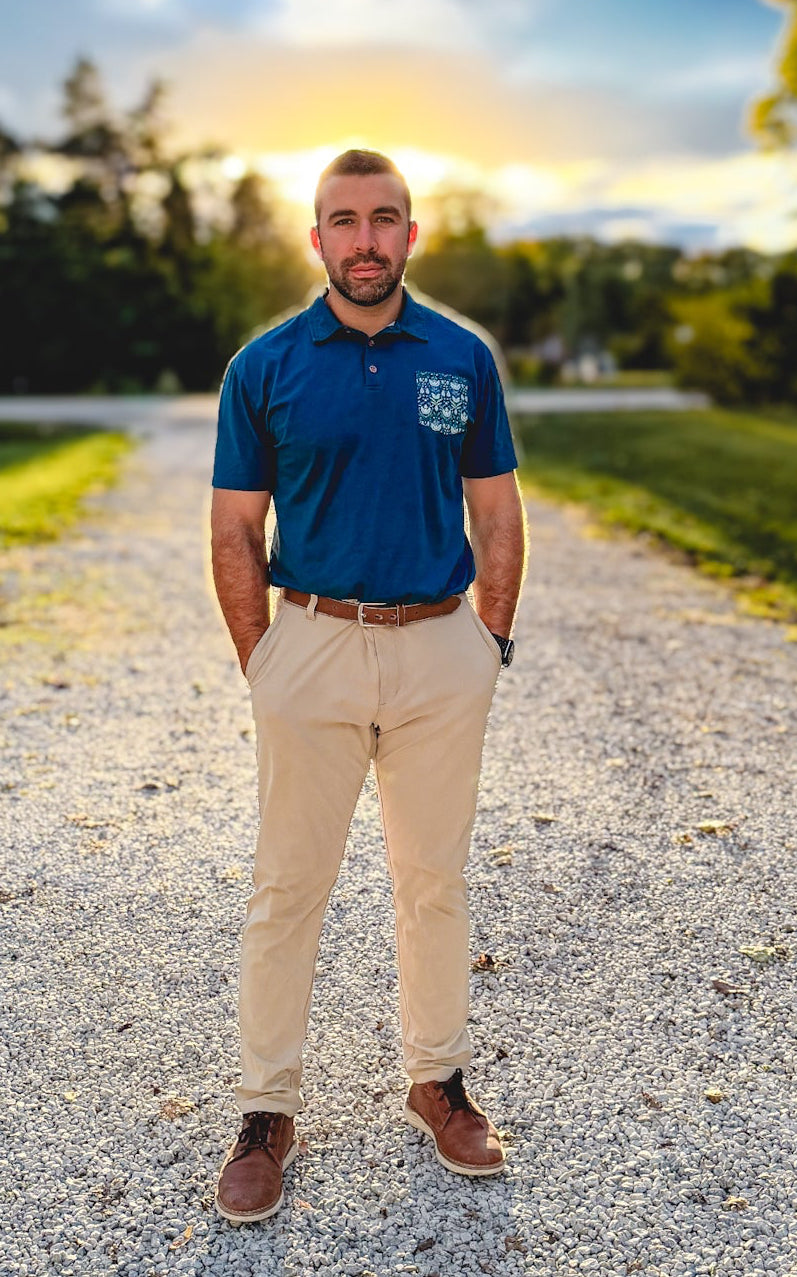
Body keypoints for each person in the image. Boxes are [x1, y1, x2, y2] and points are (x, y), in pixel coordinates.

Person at [210, 149, 526, 1224]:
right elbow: (233, 526)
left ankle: (436, 1081)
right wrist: (264, 657)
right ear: (315, 239)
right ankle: (264, 1109)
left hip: (441, 647)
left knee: (432, 877)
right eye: (342, 220)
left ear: (408, 234)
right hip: (312, 642)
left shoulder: (460, 357)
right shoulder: (263, 365)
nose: (363, 239)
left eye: (382, 218)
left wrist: (489, 641)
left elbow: (494, 509)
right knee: (286, 886)